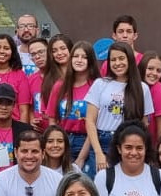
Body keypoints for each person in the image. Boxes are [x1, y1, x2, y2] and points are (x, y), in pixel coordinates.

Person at [82, 41, 153, 171]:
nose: (117, 63)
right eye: (113, 59)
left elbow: (144, 124)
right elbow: (90, 121)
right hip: (102, 141)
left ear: (130, 60)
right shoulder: (100, 84)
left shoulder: (142, 88)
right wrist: (98, 153)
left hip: (128, 143)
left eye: (121, 58)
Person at [47, 40, 99, 176]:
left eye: (84, 57)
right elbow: (52, 120)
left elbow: (94, 125)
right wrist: (55, 143)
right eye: (76, 56)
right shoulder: (60, 86)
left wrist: (81, 158)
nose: (79, 60)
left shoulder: (96, 86)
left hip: (87, 141)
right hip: (63, 140)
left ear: (91, 60)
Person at [0, 34, 33, 126]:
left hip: (13, 127)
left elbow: (24, 110)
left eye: (6, 48)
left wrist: (21, 132)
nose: (2, 51)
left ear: (12, 52)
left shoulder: (20, 75)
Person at [36, 34, 74, 130]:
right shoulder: (48, 80)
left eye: (63, 48)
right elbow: (49, 117)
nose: (59, 53)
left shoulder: (80, 75)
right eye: (54, 51)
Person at [139, 52, 161, 140]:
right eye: (150, 68)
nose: (154, 73)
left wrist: (159, 152)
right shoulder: (136, 88)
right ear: (142, 68)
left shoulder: (158, 89)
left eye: (159, 71)